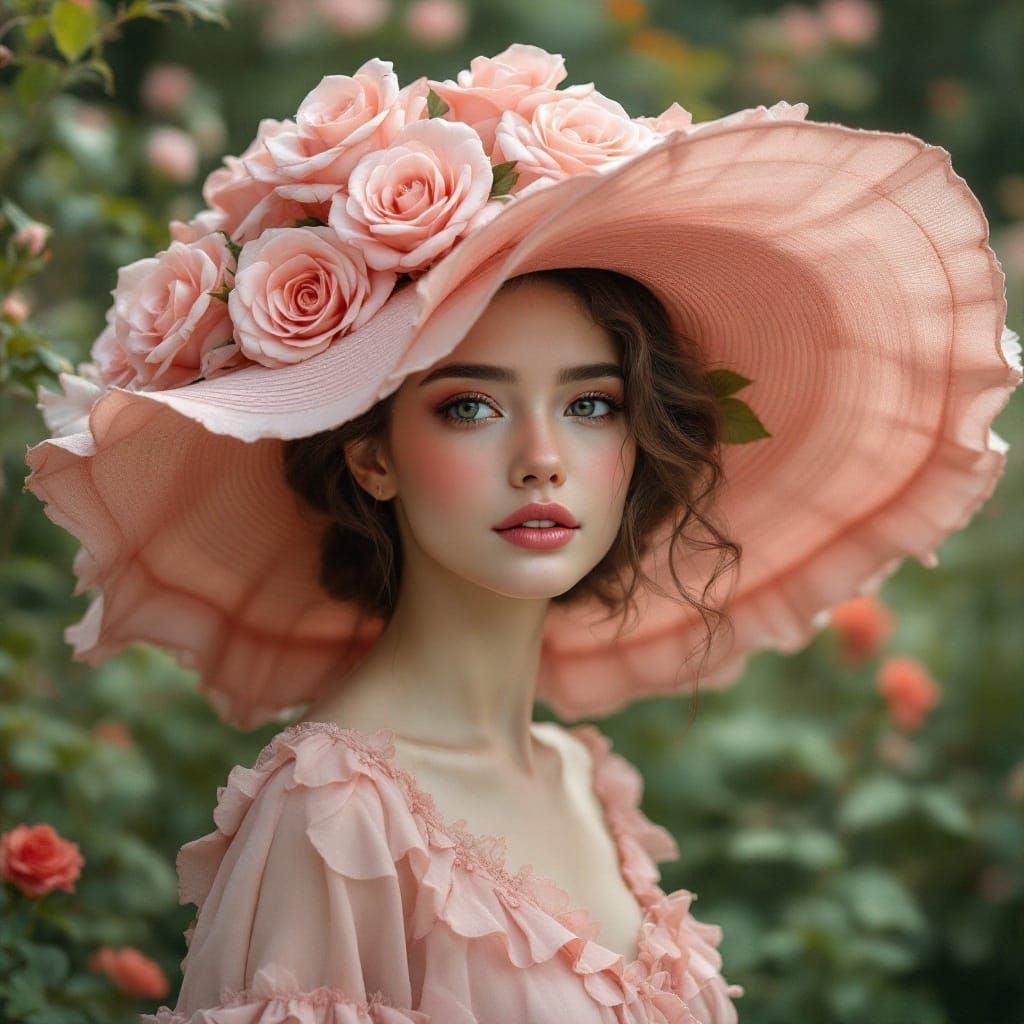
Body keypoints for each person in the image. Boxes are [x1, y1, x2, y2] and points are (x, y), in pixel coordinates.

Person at [23, 45, 1020, 1024]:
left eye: (590, 406)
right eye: (470, 407)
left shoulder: (584, 776)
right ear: (371, 455)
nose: (542, 457)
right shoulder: (333, 816)